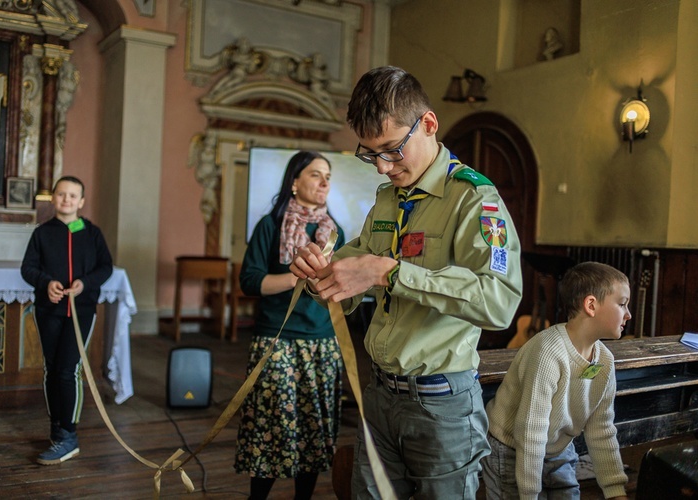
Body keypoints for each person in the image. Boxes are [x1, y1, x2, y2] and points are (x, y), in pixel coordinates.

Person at [290, 66, 523, 499]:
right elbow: (359, 258)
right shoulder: (388, 197)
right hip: (379, 394)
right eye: (370, 153)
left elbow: (499, 302)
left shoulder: (474, 198)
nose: (382, 166)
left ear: (428, 124)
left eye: (392, 149)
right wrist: (319, 271)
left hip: (441, 407)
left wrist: (388, 273)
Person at [234, 151, 346, 500]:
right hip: (277, 340)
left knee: (313, 429)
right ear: (294, 182)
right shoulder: (270, 225)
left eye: (327, 175)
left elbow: (338, 286)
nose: (325, 182)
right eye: (315, 174)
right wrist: (294, 277)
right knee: (271, 427)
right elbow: (250, 282)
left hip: (322, 342)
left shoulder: (334, 232)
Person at [482, 261, 630, 500]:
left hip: (557, 448)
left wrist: (615, 492)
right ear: (591, 305)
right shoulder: (548, 352)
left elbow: (601, 428)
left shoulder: (605, 360)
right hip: (512, 448)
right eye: (622, 304)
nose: (628, 314)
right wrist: (529, 495)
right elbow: (531, 430)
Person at [21, 175, 113, 465]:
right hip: (49, 310)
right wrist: (47, 283)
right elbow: (28, 269)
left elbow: (105, 267)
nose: (66, 200)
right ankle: (56, 426)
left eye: (73, 196)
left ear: (81, 202)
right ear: (54, 199)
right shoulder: (42, 233)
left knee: (67, 370)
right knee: (51, 369)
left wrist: (84, 283)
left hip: (81, 311)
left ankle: (69, 435)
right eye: (61, 195)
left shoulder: (92, 233)